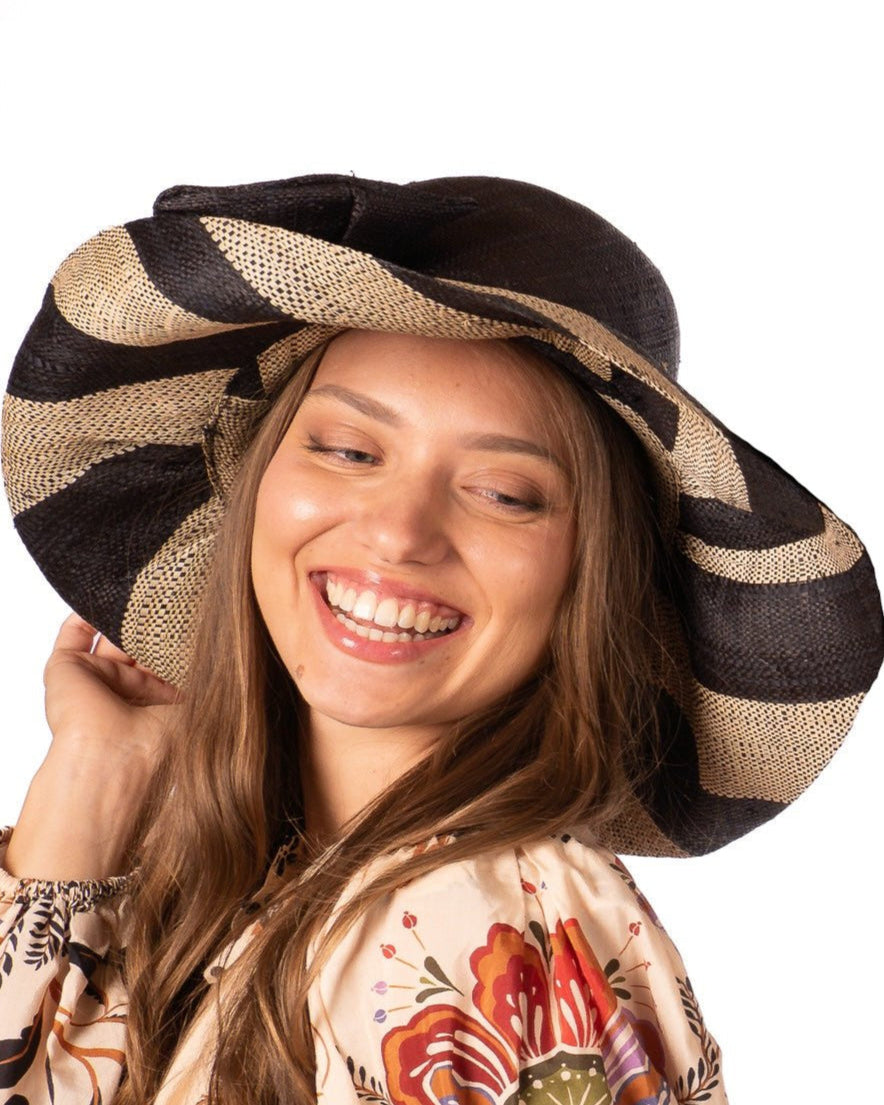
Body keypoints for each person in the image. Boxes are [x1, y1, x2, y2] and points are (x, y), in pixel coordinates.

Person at [0, 173, 880, 1105]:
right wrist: (93, 777)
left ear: (590, 576)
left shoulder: (475, 923)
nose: (399, 533)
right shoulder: (257, 889)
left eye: (504, 493)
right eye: (348, 450)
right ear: (258, 483)